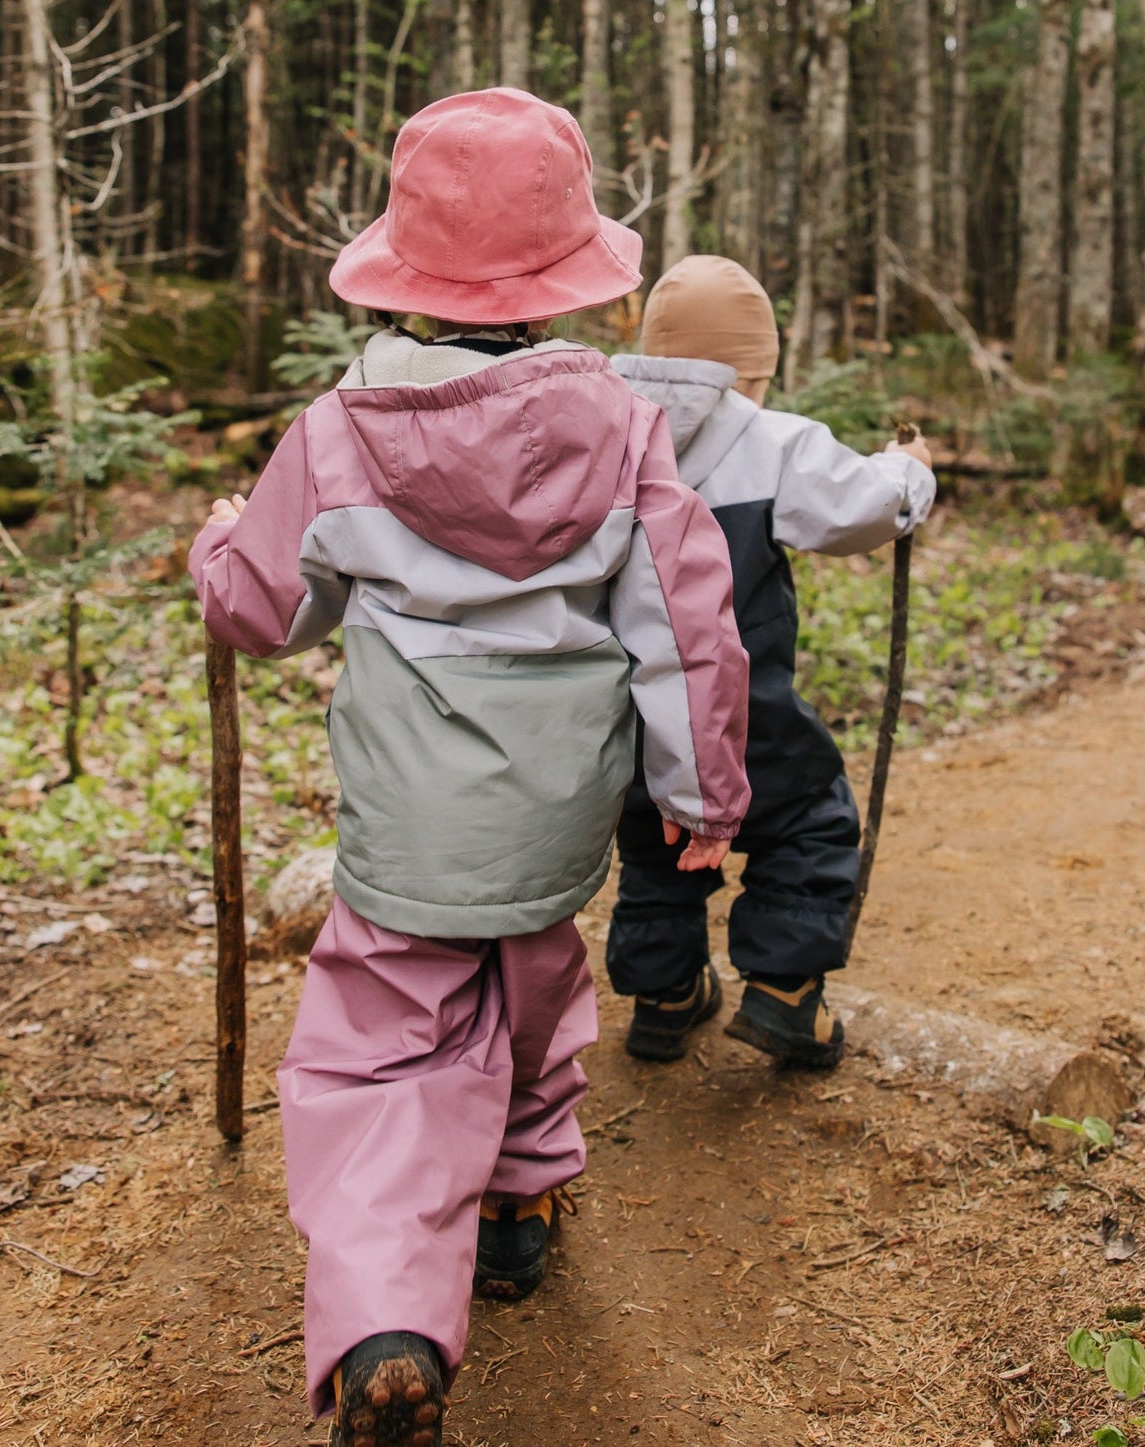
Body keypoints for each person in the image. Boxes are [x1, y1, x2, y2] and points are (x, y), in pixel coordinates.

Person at [188, 93, 750, 1447]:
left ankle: (389, 1318)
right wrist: (699, 797)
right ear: (569, 279)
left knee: (384, 1045)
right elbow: (687, 627)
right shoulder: (622, 430)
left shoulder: (338, 432)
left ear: (407, 271)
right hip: (554, 806)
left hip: (409, 813)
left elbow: (264, 611)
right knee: (531, 975)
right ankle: (516, 1201)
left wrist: (222, 544)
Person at [604, 254, 935, 1071]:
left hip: (634, 712)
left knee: (654, 839)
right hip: (742, 706)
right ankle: (785, 993)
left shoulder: (603, 433)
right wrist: (910, 473)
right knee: (808, 818)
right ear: (754, 371)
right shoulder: (771, 438)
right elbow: (864, 508)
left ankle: (664, 994)